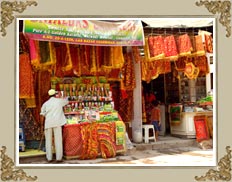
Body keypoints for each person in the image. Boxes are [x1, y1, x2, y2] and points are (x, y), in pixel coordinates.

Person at [40, 89, 69, 163]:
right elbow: (67, 101)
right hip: (57, 123)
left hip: (48, 123)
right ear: (55, 94)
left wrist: (42, 125)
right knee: (58, 140)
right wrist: (62, 96)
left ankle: (49, 158)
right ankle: (58, 158)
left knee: (48, 141)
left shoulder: (45, 103)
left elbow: (42, 115)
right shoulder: (59, 101)